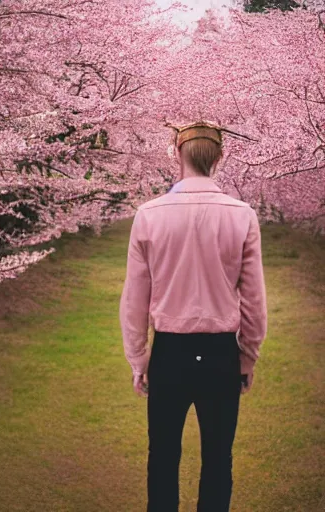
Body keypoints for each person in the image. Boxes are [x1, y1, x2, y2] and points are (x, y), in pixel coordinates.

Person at [119, 121, 268, 512]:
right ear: (219, 157)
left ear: (177, 154)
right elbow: (253, 300)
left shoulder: (149, 215)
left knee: (163, 459)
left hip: (169, 354)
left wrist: (139, 358)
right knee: (219, 460)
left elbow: (135, 297)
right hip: (221, 355)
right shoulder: (242, 215)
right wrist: (247, 355)